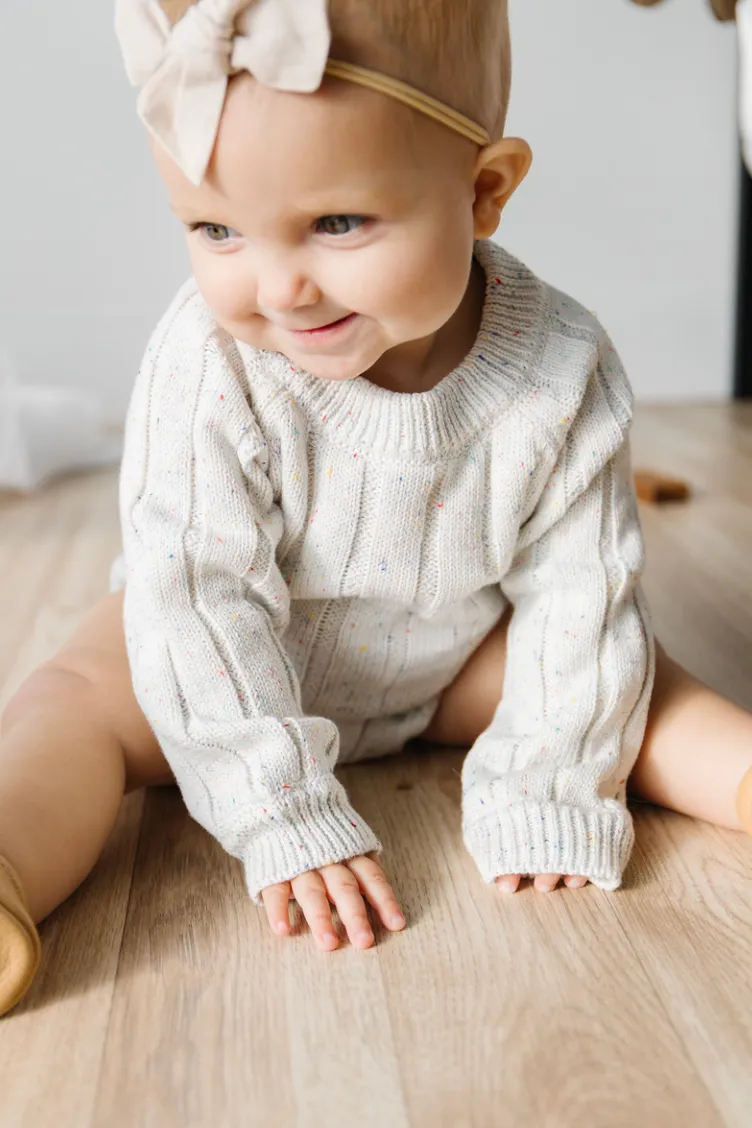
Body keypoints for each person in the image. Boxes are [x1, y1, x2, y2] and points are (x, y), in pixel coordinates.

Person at [1, 0, 750, 1019]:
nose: (278, 287)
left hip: (448, 655)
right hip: (217, 657)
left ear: (483, 191)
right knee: (72, 706)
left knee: (631, 682)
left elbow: (581, 591)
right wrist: (282, 811)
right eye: (214, 229)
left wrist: (550, 788)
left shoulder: (560, 369)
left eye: (335, 224)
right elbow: (199, 597)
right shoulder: (210, 363)